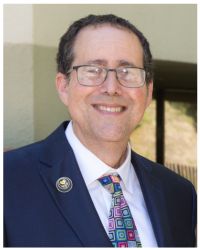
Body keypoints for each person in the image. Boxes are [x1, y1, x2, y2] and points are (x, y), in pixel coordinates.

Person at [4, 14, 196, 247]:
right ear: (63, 86)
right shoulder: (9, 182)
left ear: (147, 92)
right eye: (93, 70)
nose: (112, 88)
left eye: (127, 71)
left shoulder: (179, 195)